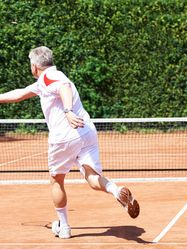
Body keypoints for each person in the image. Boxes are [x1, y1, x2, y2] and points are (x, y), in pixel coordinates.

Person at [0, 46, 140, 239]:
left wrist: (67, 111)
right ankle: (116, 190)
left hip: (64, 137)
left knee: (56, 180)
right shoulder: (44, 81)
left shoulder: (51, 78)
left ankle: (64, 227)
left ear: (34, 66)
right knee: (92, 176)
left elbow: (63, 87)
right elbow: (19, 94)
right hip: (86, 132)